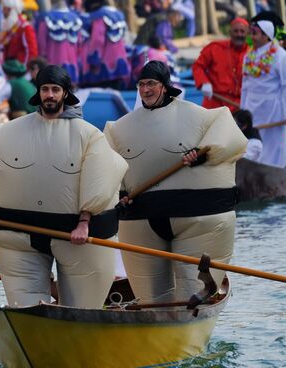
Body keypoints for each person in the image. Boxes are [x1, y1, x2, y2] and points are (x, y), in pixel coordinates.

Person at [0, 65, 128, 308]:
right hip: (16, 233)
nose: (49, 95)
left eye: (55, 90)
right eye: (45, 89)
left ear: (65, 93)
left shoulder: (90, 137)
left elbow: (100, 180)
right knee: (26, 308)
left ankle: (79, 323)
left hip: (75, 235)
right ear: (38, 92)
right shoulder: (1, 133)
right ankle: (33, 327)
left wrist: (84, 222)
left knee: (82, 308)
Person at [104, 61, 246, 305]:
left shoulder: (201, 117)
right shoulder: (119, 128)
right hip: (141, 220)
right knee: (151, 303)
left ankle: (188, 325)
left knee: (190, 299)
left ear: (165, 86)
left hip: (196, 218)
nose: (146, 89)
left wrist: (204, 153)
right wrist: (119, 196)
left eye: (152, 83)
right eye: (141, 84)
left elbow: (230, 136)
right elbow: (106, 169)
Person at [241, 20, 286, 168]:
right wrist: (242, 111)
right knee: (253, 142)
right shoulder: (248, 56)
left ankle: (276, 170)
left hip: (273, 109)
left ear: (266, 36)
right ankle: (253, 171)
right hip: (252, 108)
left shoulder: (281, 55)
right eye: (251, 33)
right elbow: (245, 86)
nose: (251, 37)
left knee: (274, 144)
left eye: (255, 33)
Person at [192, 17, 249, 112]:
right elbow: (198, 66)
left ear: (247, 33)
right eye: (236, 31)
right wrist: (204, 83)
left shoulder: (253, 53)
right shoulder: (214, 48)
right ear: (230, 32)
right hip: (215, 102)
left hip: (240, 106)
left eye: (242, 31)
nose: (239, 34)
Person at [80, 0, 130, 88]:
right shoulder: (120, 14)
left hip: (104, 62)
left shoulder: (99, 15)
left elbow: (98, 40)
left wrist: (94, 60)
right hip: (120, 60)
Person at [36, 0, 82, 85]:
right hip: (72, 66)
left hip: (52, 66)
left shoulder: (45, 19)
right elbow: (79, 45)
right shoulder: (76, 19)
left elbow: (41, 45)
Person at [0, 0, 39, 65]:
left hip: (20, 70)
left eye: (5, 9)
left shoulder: (25, 27)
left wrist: (23, 70)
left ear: (11, 10)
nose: (3, 12)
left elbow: (31, 52)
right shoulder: (10, 27)